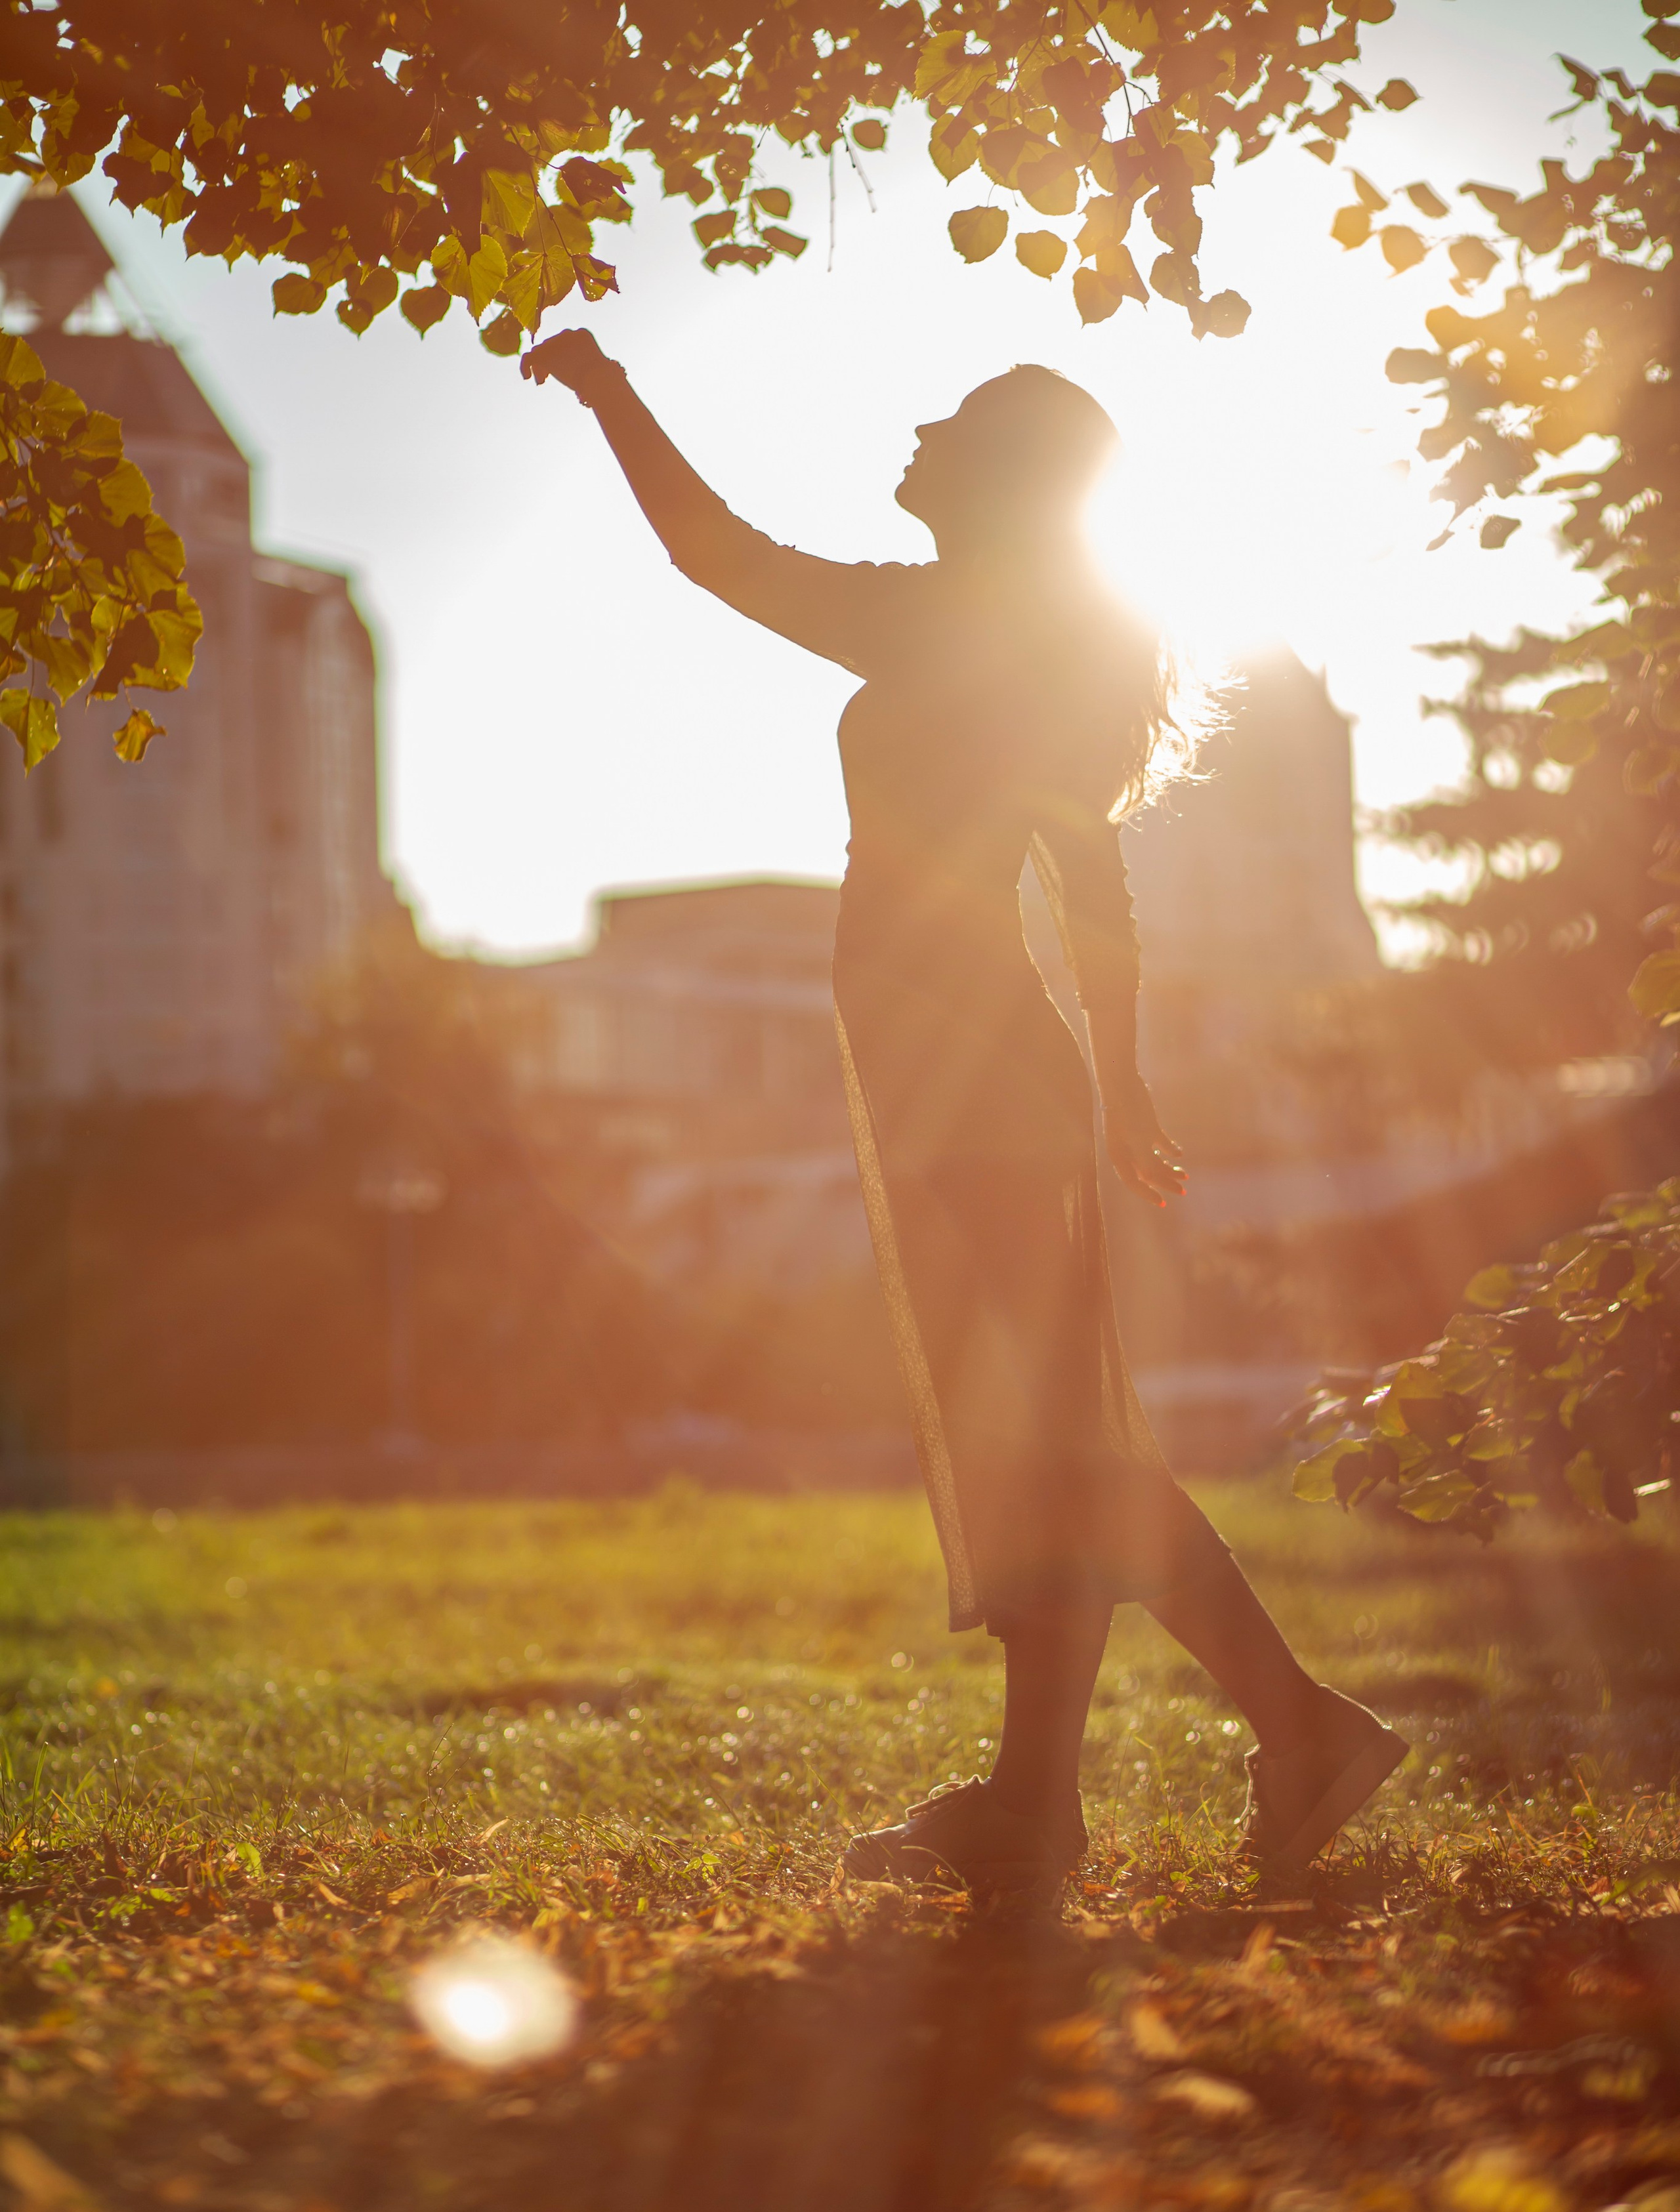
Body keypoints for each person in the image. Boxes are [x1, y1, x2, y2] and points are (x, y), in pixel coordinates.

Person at [524, 331, 1406, 1900]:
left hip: (971, 1073)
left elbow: (711, 555)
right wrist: (1119, 1083)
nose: (917, 428)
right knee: (1040, 1440)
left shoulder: (947, 623)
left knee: (1056, 1441)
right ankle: (1037, 1806)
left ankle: (1290, 1728)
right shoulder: (1022, 634)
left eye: (951, 423)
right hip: (983, 1066)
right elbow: (1102, 897)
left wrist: (608, 394)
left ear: (999, 481)